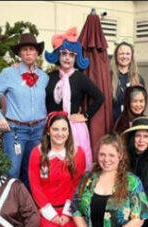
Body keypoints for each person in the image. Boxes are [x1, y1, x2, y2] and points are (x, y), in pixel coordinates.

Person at [28, 112, 85, 227]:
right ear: (48, 131)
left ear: (69, 132)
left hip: (67, 207)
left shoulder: (77, 153)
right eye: (55, 129)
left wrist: (67, 212)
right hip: (46, 208)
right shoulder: (37, 153)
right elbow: (35, 185)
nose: (60, 133)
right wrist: (51, 214)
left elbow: (77, 185)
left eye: (64, 129)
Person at [0, 33, 48, 185]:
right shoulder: (9, 73)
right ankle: (11, 205)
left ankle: (28, 204)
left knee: (32, 170)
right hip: (16, 131)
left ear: (37, 53)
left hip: (38, 130)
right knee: (12, 171)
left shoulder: (44, 77)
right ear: (19, 53)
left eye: (31, 49)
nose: (28, 53)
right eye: (24, 50)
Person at [45, 27, 104, 172]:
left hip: (74, 128)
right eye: (64, 54)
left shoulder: (80, 78)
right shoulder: (49, 77)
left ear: (75, 58)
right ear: (58, 55)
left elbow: (99, 97)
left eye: (71, 55)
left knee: (75, 165)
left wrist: (85, 115)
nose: (67, 58)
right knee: (54, 164)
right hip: (53, 129)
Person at [110, 39, 145, 123]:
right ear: (116, 56)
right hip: (112, 124)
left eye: (127, 54)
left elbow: (142, 104)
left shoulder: (139, 79)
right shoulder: (108, 77)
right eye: (121, 53)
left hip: (131, 124)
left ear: (132, 57)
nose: (124, 56)